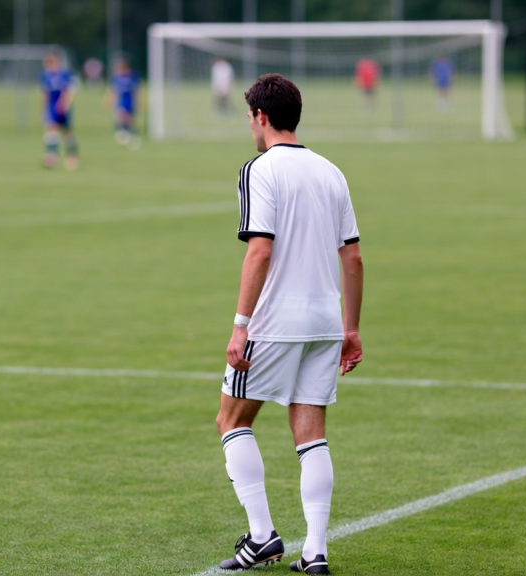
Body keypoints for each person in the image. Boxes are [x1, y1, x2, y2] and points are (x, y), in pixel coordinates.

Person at [214, 74, 364, 574]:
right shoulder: (331, 171)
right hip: (324, 321)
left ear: (260, 116)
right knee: (311, 434)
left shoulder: (259, 169)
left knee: (232, 420)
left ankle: (262, 537)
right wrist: (351, 328)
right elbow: (354, 258)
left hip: (274, 322)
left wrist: (240, 325)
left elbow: (260, 249)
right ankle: (315, 552)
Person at [40, 53, 79, 170]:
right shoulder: (44, 75)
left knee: (67, 131)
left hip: (62, 106)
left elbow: (70, 90)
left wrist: (66, 104)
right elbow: (44, 93)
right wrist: (43, 109)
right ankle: (52, 157)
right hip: (51, 106)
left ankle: (72, 157)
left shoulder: (65, 74)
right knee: (51, 129)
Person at [105, 58, 140, 147]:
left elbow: (136, 90)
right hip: (120, 100)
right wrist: (110, 101)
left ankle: (131, 133)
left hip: (129, 100)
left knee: (129, 117)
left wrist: (139, 101)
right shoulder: (116, 78)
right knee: (120, 116)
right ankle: (123, 133)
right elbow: (113, 91)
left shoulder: (132, 76)